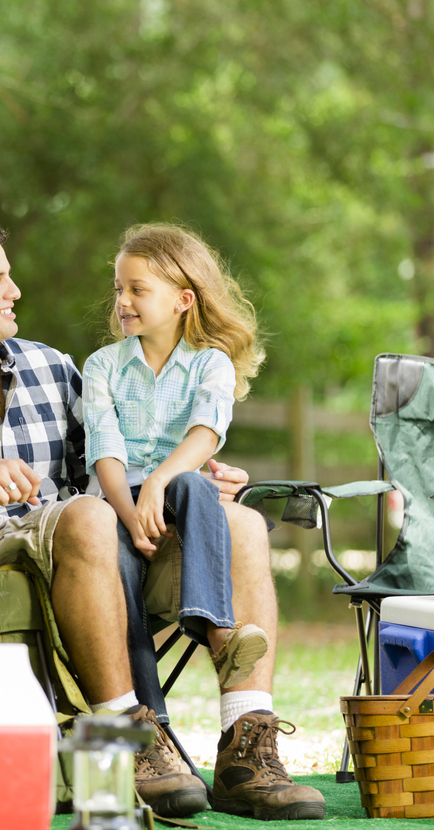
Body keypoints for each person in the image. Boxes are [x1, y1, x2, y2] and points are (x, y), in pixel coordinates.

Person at [0, 215, 325, 821]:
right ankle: (127, 743)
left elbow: (115, 458)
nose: (15, 291)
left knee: (243, 524)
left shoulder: (50, 366)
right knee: (88, 517)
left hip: (94, 547)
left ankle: (245, 747)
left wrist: (194, 480)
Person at [84, 222, 268, 693]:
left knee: (191, 483)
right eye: (119, 289)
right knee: (121, 574)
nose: (122, 301)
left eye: (138, 290)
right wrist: (129, 514)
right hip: (113, 504)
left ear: (183, 299)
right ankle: (151, 722)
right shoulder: (103, 365)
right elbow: (105, 447)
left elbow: (206, 434)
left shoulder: (212, 363)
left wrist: (157, 481)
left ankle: (218, 629)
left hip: (179, 497)